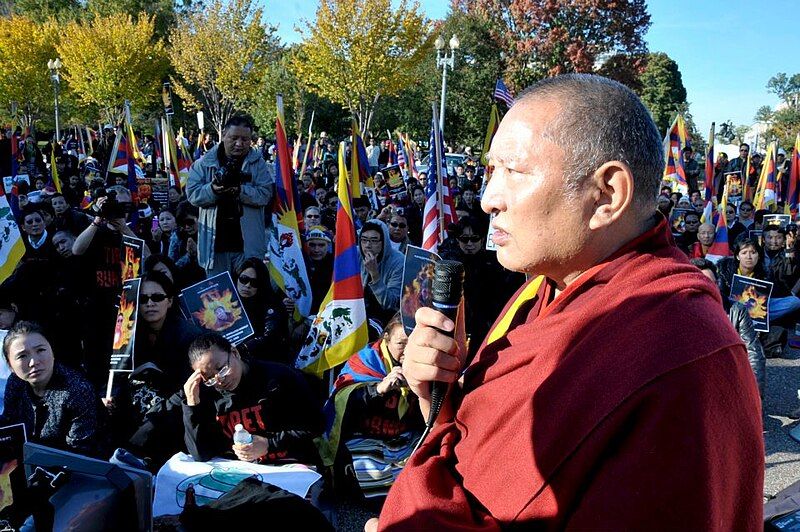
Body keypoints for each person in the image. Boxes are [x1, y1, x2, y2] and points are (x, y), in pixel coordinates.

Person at [372, 74, 763, 530]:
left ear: (606, 195)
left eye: (513, 171)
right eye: (490, 171)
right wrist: (436, 395)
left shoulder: (680, 356)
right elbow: (475, 454)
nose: (487, 199)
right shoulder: (544, 289)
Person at [319, 314, 424, 499]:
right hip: (366, 438)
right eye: (401, 344)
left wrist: (421, 388)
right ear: (386, 338)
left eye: (413, 344)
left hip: (403, 436)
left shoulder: (423, 362)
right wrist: (378, 389)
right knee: (374, 479)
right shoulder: (365, 361)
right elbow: (343, 402)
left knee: (422, 473)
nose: (407, 351)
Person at [178, 333, 321, 464]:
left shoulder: (277, 378)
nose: (219, 380)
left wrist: (269, 444)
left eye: (222, 369)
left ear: (235, 353)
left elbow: (316, 425)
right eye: (209, 378)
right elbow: (200, 454)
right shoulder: (207, 394)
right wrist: (192, 405)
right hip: (241, 473)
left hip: (290, 464)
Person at [186, 114, 273, 276]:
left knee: (249, 292)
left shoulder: (259, 164)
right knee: (219, 297)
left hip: (248, 246)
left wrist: (241, 191)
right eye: (234, 138)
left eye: (245, 139)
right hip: (214, 247)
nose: (239, 144)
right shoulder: (203, 164)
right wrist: (212, 190)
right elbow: (192, 194)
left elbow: (265, 194)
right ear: (223, 136)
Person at [1, 322, 104, 457]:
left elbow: (79, 453)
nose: (34, 362)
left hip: (78, 467)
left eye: (40, 350)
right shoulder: (16, 382)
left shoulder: (77, 390)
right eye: (22, 356)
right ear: (10, 365)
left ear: (52, 351)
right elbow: (11, 429)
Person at [692, 258, 765, 399]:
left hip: (728, 377)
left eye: (712, 283)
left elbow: (753, 353)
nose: (709, 288)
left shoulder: (737, 310)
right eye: (702, 283)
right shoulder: (681, 312)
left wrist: (755, 397)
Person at [233, 258, 290, 364]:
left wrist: (243, 348)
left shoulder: (272, 304)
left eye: (254, 282)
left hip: (266, 360)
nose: (247, 285)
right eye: (244, 279)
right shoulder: (228, 301)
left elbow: (269, 336)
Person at [358, 220, 403, 325]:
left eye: (374, 241)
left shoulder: (398, 261)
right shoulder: (355, 255)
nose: (368, 245)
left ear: (384, 242)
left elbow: (389, 304)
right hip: (357, 313)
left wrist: (374, 274)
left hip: (385, 318)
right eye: (364, 240)